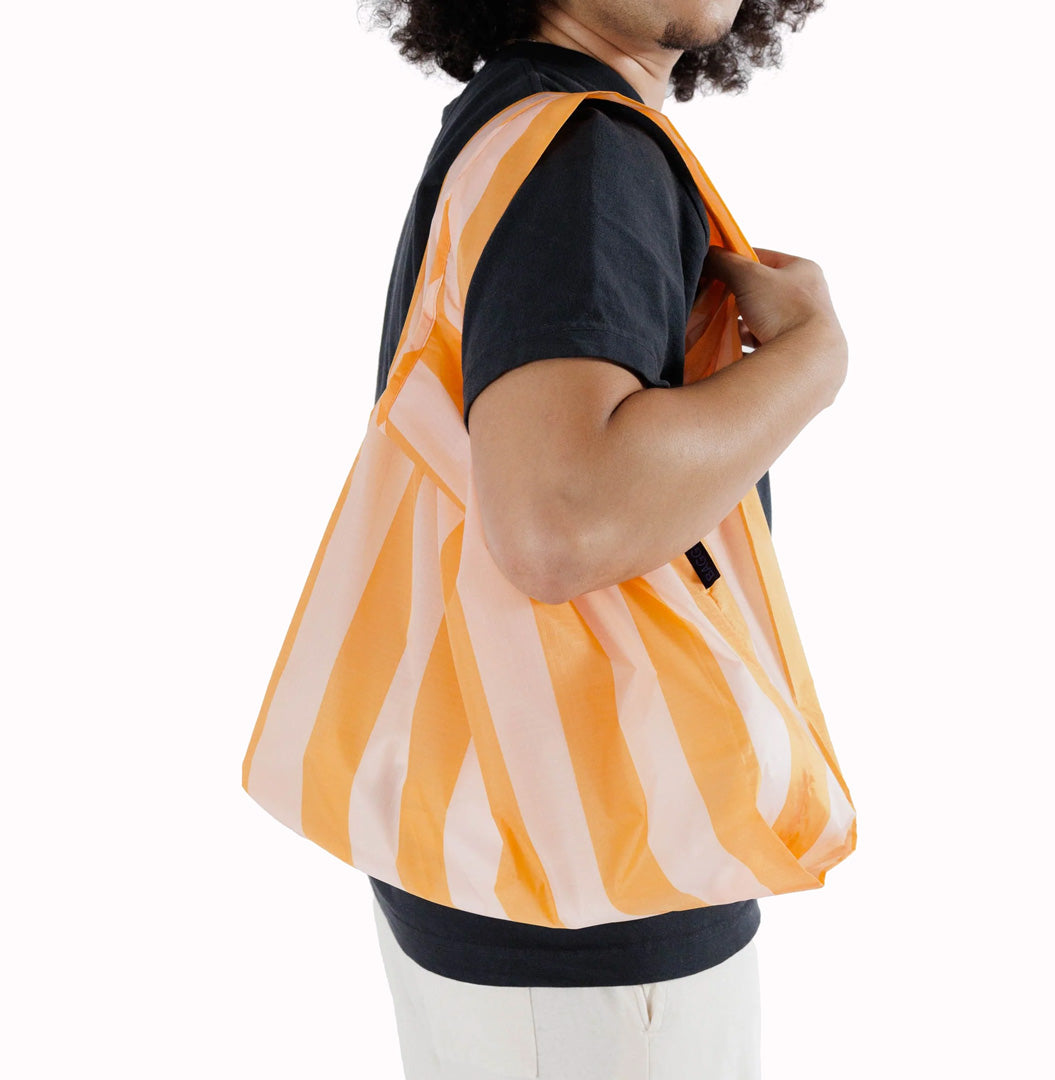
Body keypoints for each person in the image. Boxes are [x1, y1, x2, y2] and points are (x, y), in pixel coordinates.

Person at [360, 1, 848, 1076]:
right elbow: (558, 522)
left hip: (495, 851)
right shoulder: (585, 154)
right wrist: (811, 360)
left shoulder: (506, 130)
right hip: (591, 891)